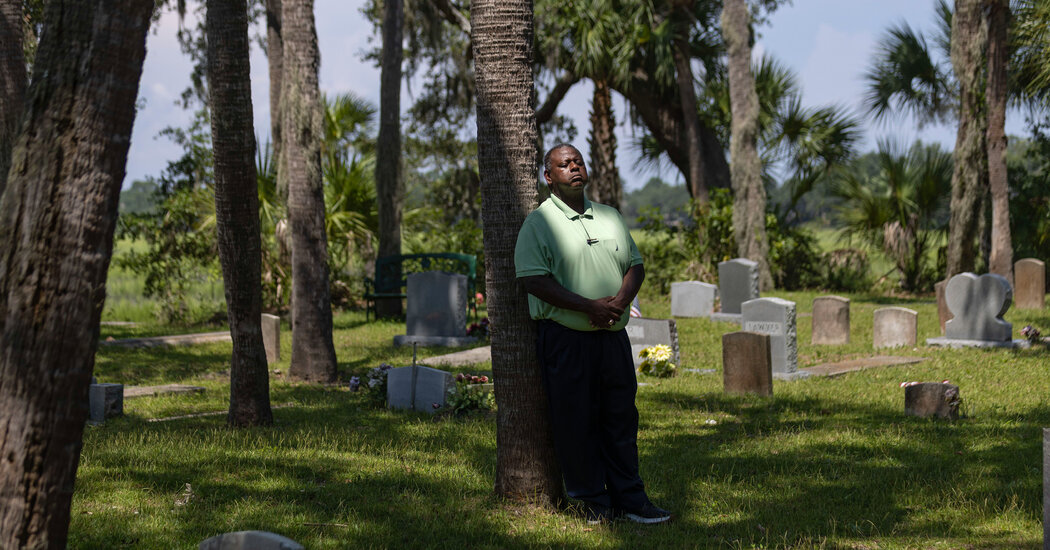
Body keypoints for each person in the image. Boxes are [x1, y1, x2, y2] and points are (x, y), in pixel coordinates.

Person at [514, 144, 672, 525]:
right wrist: (589, 307)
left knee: (621, 418)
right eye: (564, 164)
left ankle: (631, 500)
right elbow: (533, 280)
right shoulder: (538, 223)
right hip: (566, 340)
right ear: (548, 177)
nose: (574, 168)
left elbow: (635, 265)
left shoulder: (609, 216)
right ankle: (592, 503)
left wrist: (618, 303)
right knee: (576, 422)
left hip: (612, 337)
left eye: (578, 162)